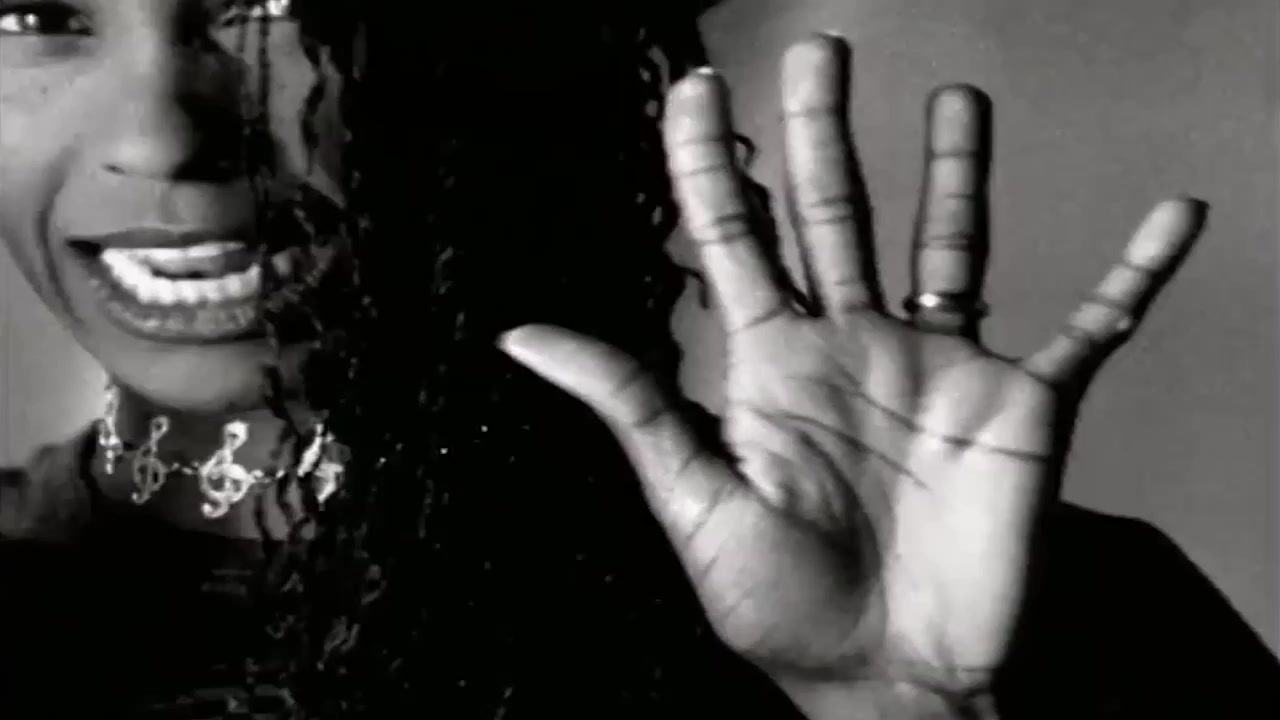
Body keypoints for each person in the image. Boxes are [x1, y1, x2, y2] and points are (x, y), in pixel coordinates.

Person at [0, 1, 1275, 718]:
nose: (161, 134)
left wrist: (896, 707)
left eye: (276, 3)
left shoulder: (1043, 614)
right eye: (36, 15)